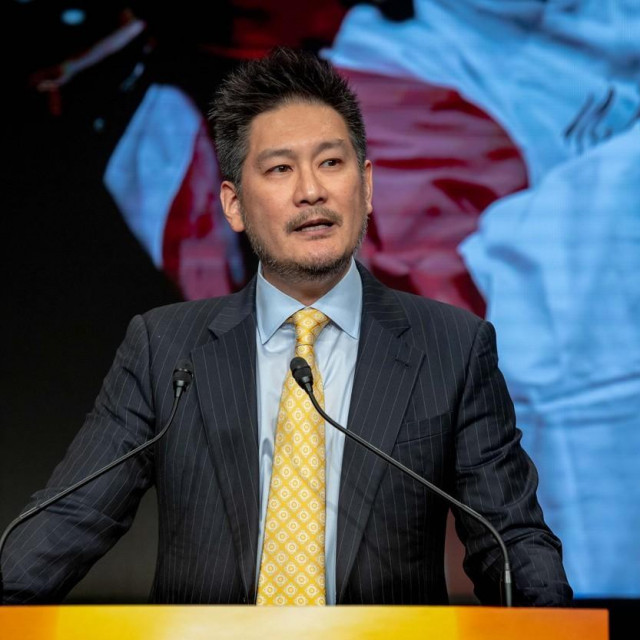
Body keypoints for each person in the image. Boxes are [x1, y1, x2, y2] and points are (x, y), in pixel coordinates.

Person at [2, 47, 572, 606]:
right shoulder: (164, 348)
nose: (311, 191)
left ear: (367, 186)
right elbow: (70, 518)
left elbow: (512, 543)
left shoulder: (452, 346)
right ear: (233, 205)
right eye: (280, 169)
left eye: (332, 163)